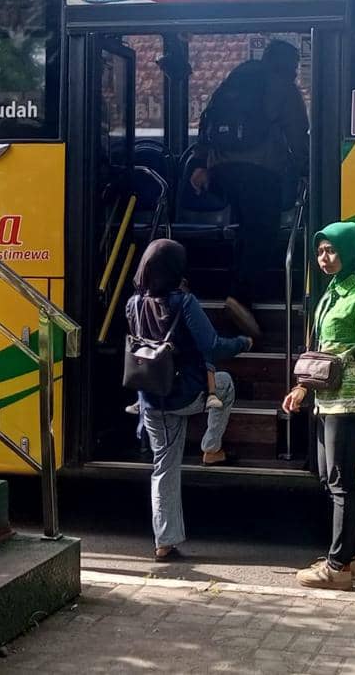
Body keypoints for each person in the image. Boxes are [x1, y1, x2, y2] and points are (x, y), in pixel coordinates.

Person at [281, 222, 355, 590]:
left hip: (352, 402)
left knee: (341, 484)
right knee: (330, 481)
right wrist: (301, 388)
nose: (324, 259)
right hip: (327, 401)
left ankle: (337, 567)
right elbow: (323, 352)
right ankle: (353, 556)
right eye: (320, 251)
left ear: (350, 253)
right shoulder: (331, 294)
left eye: (332, 251)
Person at [127, 239, 252, 560]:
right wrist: (243, 342)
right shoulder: (184, 302)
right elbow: (212, 345)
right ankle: (211, 446)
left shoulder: (133, 303)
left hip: (151, 396)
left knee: (164, 467)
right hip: (185, 393)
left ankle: (164, 541)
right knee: (224, 384)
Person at [190, 39, 310, 340]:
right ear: (286, 64)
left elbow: (206, 124)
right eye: (294, 66)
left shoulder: (234, 80)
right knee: (263, 234)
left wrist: (201, 165)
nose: (295, 72)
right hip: (261, 172)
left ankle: (236, 296)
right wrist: (307, 167)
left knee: (246, 229)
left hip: (222, 171)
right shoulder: (283, 88)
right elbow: (298, 135)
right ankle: (240, 298)